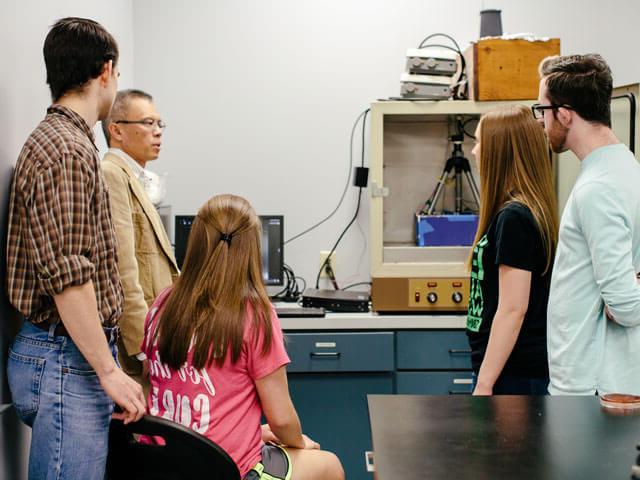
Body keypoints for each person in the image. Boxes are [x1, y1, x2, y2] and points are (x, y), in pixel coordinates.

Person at [5, 17, 145, 479]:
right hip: (65, 358)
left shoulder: (68, 143)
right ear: (106, 71)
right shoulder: (66, 150)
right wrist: (109, 372)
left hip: (65, 355)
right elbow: (68, 277)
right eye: (118, 74)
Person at [141, 194, 344, 480]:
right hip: (223, 469)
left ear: (195, 243)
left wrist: (253, 432)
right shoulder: (255, 315)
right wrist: (299, 443)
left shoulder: (162, 303)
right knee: (328, 465)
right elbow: (283, 420)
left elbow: (154, 388)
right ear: (251, 250)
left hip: (161, 464)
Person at [536, 54, 640, 395]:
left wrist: (626, 295)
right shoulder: (623, 168)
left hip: (591, 388)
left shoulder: (599, 188)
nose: (541, 121)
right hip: (602, 381)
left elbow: (626, 306)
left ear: (564, 115)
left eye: (543, 110)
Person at [466, 105, 559, 395]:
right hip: (508, 374)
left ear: (501, 151)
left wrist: (484, 383)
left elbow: (513, 309)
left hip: (513, 378)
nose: (474, 151)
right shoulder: (514, 213)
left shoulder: (515, 217)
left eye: (480, 142)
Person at [101, 89, 178, 393]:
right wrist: (141, 346)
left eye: (160, 124)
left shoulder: (134, 177)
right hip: (138, 350)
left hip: (155, 336)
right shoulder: (112, 174)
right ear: (117, 130)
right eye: (147, 123)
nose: (157, 132)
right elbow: (123, 269)